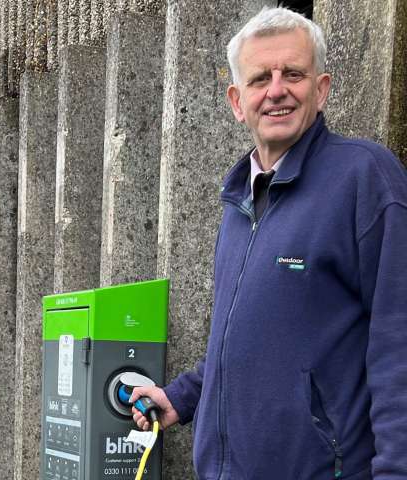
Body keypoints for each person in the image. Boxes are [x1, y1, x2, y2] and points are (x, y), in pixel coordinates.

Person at [130, 6, 407, 479]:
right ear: (238, 101)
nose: (276, 90)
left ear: (321, 89)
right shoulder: (239, 199)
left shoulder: (365, 179)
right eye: (260, 79)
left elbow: (397, 343)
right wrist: (182, 396)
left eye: (293, 74)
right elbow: (242, 339)